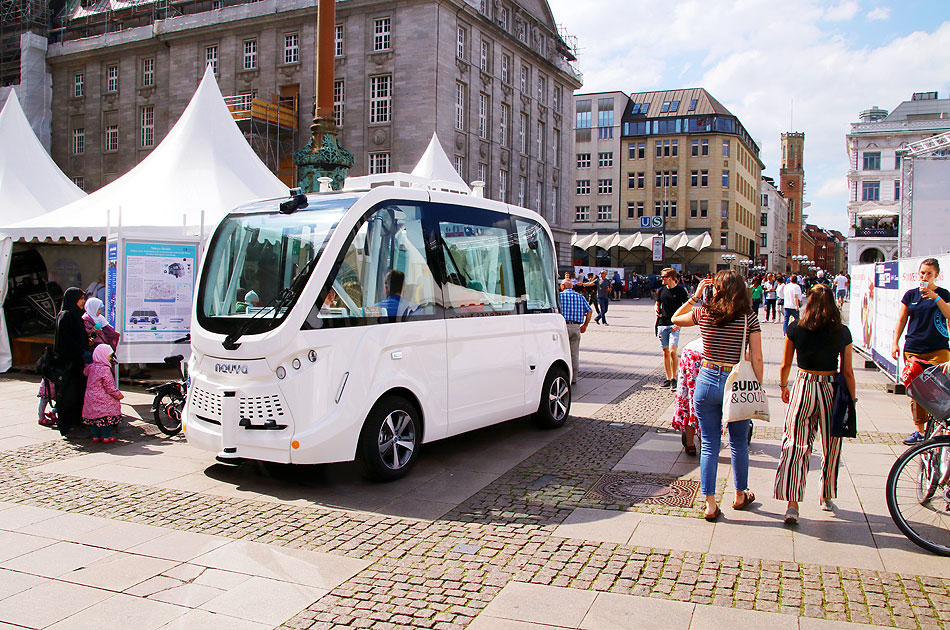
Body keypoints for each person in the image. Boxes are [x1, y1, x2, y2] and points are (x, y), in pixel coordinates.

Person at [672, 270, 762, 521]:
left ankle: (710, 503)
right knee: (738, 443)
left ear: (717, 289)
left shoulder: (704, 312)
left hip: (707, 379)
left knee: (710, 444)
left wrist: (696, 296)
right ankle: (740, 494)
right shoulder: (748, 317)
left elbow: (675, 318)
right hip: (735, 383)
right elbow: (756, 357)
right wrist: (757, 386)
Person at [774, 285, 856, 524]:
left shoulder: (796, 329)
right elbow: (848, 371)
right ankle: (826, 494)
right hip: (830, 386)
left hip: (804, 384)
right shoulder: (842, 332)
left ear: (808, 303)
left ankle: (792, 503)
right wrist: (851, 398)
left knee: (796, 443)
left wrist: (783, 386)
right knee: (832, 444)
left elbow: (784, 365)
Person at [891, 258, 950, 444]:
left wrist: (936, 297)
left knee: (940, 389)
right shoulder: (911, 295)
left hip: (938, 349)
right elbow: (901, 320)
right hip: (914, 349)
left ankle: (941, 427)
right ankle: (920, 430)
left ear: (936, 276)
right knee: (916, 391)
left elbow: (948, 314)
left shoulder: (943, 294)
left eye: (929, 273)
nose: (924, 276)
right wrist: (895, 342)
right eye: (922, 272)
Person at [53, 287, 90, 437]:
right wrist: (80, 350)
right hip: (68, 363)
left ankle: (76, 423)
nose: (83, 302)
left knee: (77, 393)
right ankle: (67, 426)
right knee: (68, 395)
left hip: (77, 362)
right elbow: (65, 341)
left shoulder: (75, 315)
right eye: (80, 299)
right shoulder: (66, 316)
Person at [82, 344, 124, 443]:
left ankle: (96, 437)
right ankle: (106, 437)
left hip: (91, 398)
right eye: (109, 356)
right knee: (106, 419)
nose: (110, 359)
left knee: (94, 420)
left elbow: (85, 372)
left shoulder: (91, 367)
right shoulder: (105, 369)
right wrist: (118, 395)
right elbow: (109, 387)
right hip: (103, 399)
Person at [656, 268, 689, 390]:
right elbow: (658, 302)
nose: (661, 279)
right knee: (665, 352)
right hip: (662, 323)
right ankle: (668, 378)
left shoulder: (680, 291)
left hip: (674, 325)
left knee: (673, 351)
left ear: (669, 278)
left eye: (663, 277)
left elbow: (687, 307)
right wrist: (656, 308)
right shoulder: (661, 290)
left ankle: (675, 378)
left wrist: (679, 323)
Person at [673, 337, 703, 456]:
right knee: (712, 406)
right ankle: (705, 440)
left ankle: (690, 443)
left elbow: (677, 318)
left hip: (693, 352)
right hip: (716, 354)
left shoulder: (700, 317)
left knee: (688, 399)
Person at [559, 279, 592, 384]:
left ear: (563, 286)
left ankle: (564, 376)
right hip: (576, 327)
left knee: (561, 353)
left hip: (562, 327)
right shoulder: (580, 296)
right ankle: (574, 378)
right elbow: (590, 310)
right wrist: (585, 325)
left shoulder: (559, 296)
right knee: (574, 353)